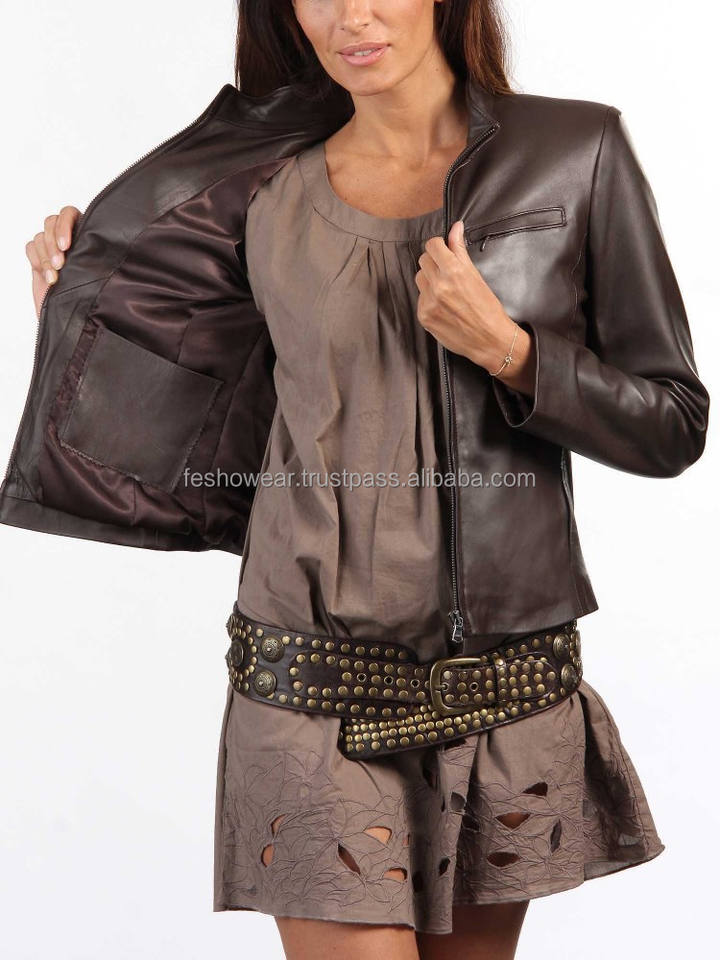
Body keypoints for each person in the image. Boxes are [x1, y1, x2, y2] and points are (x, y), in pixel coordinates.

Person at [20, 2, 709, 959]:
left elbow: (673, 422)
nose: (353, 15)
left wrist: (511, 353)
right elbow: (203, 419)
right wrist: (88, 301)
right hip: (307, 678)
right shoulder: (253, 184)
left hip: (499, 686)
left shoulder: (575, 152)